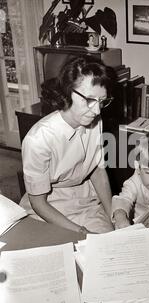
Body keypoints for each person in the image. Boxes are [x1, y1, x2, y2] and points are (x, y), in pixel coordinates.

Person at [19, 56, 116, 234]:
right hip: (49, 205)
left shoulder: (95, 120)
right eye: (89, 100)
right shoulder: (38, 139)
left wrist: (113, 215)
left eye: (102, 101)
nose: (97, 110)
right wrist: (80, 231)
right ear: (67, 92)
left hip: (85, 198)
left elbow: (98, 171)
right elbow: (39, 203)